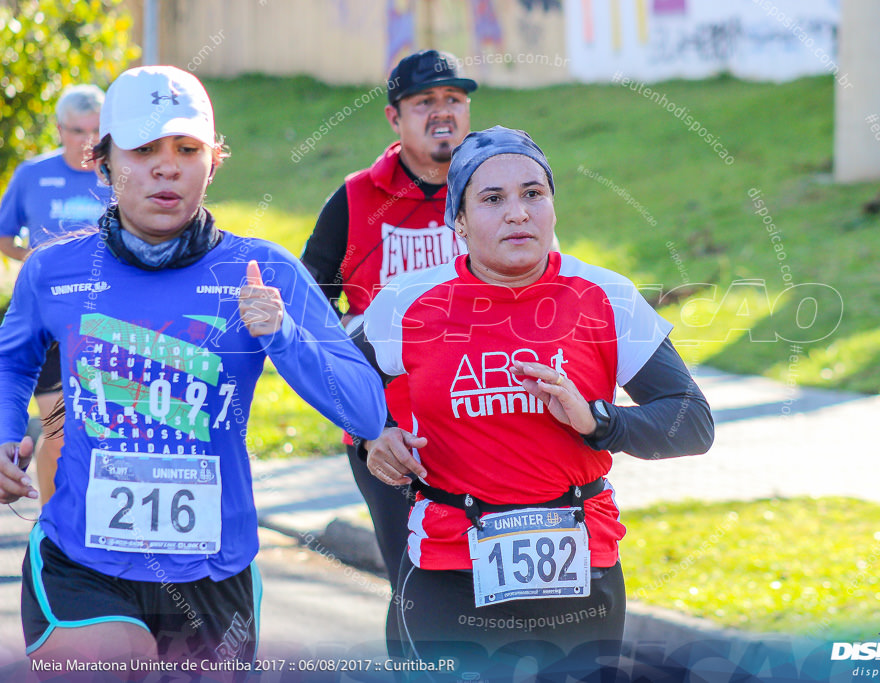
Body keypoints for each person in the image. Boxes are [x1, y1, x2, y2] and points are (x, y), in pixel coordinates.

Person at [0, 65, 386, 670]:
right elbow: (11, 364)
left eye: (187, 149)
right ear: (102, 163)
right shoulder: (55, 270)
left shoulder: (264, 272)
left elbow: (364, 408)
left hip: (213, 570)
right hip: (83, 560)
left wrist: (281, 334)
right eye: (144, 149)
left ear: (213, 162)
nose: (166, 166)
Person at [358, 126, 714, 678]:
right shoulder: (406, 303)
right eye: (492, 199)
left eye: (533, 193)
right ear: (459, 222)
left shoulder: (605, 296)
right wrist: (374, 434)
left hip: (579, 568)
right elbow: (343, 380)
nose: (517, 213)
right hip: (448, 564)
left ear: (553, 207)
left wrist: (597, 420)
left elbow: (692, 422)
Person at [300, 49, 477, 591]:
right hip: (389, 429)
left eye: (454, 98)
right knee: (416, 581)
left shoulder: (493, 190)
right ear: (394, 117)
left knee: (484, 580)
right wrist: (363, 414)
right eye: (425, 101)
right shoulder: (357, 199)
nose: (443, 111)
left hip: (483, 414)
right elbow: (309, 311)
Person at [0, 84, 111, 505]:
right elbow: (3, 234)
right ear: (59, 130)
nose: (87, 141)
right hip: (47, 318)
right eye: (77, 130)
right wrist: (38, 264)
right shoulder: (32, 174)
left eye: (96, 130)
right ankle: (53, 516)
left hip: (105, 318)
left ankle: (98, 513)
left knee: (102, 427)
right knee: (59, 430)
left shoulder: (119, 173)